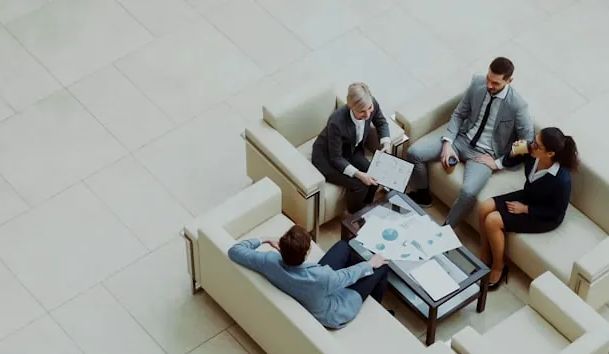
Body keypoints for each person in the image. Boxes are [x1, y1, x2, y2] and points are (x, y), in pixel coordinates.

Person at [405, 57, 535, 227]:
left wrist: (499, 163)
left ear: (509, 81)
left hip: (484, 155)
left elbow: (528, 142)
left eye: (495, 83)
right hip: (461, 139)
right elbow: (459, 114)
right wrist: (448, 143)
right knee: (414, 153)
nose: (489, 85)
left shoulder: (518, 105)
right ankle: (423, 195)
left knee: (468, 192)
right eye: (488, 78)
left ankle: (446, 230)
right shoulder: (478, 84)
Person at [228, 225, 389, 329]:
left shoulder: (268, 261)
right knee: (381, 268)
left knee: (343, 246)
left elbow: (235, 251)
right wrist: (370, 264)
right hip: (332, 310)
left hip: (311, 290)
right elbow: (346, 276)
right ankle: (375, 305)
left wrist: (264, 238)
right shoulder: (322, 276)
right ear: (307, 253)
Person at [477, 126, 579, 289]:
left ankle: (499, 267)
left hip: (543, 215)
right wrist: (513, 152)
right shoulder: (532, 153)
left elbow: (556, 213)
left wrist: (526, 210)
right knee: (484, 207)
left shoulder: (562, 180)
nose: (532, 145)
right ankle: (484, 252)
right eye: (534, 140)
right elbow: (510, 161)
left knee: (492, 221)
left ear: (550, 154)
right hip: (529, 195)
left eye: (537, 145)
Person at [311, 82, 392, 213]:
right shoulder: (336, 122)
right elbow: (336, 158)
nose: (367, 115)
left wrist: (386, 143)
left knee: (374, 175)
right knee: (360, 185)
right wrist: (360, 175)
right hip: (327, 158)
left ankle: (367, 207)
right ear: (351, 107)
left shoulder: (372, 104)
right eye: (362, 112)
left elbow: (381, 122)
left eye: (369, 109)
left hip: (351, 151)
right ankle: (355, 216)